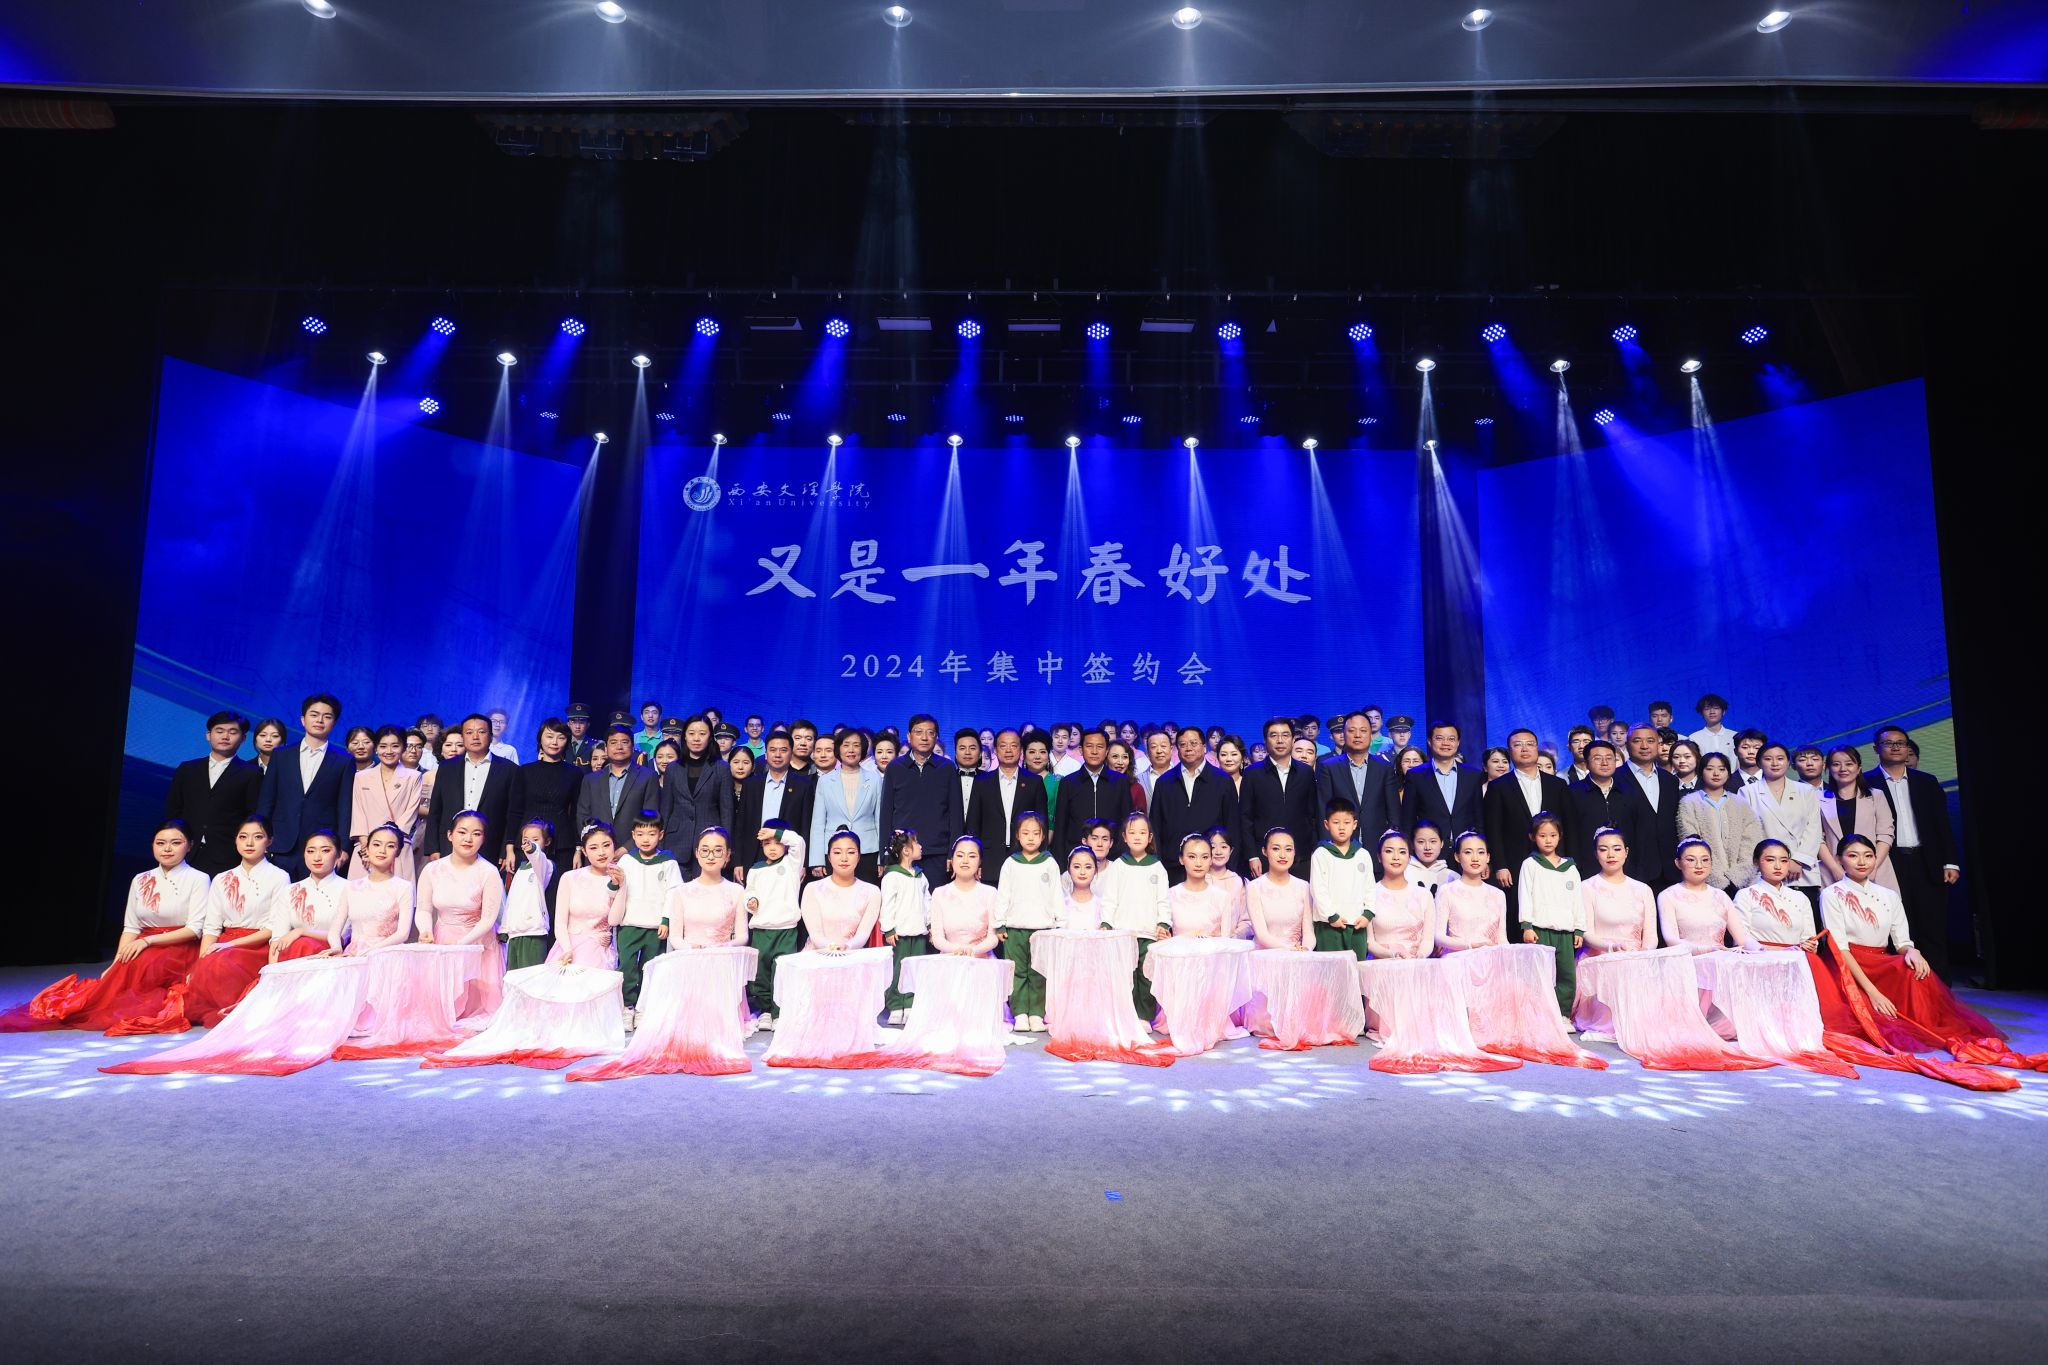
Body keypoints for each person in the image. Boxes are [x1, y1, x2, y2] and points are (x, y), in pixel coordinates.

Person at [0, 820, 209, 1032]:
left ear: (189, 845)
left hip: (180, 947)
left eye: (176, 843)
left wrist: (147, 941)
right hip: (143, 944)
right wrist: (116, 964)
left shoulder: (199, 879)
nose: (167, 849)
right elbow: (131, 928)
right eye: (160, 843)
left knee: (146, 967)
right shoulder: (140, 879)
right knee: (111, 985)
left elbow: (194, 930)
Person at [1820, 834, 2005, 1053]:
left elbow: (1902, 942)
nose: (1862, 862)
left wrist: (1912, 951)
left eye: (1868, 856)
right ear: (1839, 859)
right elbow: (1840, 948)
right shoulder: (1831, 895)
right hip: (1847, 963)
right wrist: (1873, 993)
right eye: (1853, 856)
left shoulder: (1888, 895)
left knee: (1915, 969)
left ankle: (1926, 1026)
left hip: (1879, 961)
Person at [108, 816, 288, 1033]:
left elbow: (274, 927)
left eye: (257, 837)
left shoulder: (279, 877)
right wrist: (200, 964)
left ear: (269, 841)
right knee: (206, 965)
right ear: (235, 840)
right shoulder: (222, 878)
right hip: (223, 942)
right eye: (243, 837)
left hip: (256, 944)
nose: (249, 843)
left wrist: (227, 946)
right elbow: (211, 928)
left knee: (223, 963)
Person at [1865, 725, 1961, 977]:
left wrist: (1950, 862)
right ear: (1876, 749)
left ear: (1908, 748)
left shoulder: (1926, 781)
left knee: (1932, 928)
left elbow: (1942, 823)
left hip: (1926, 862)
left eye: (1901, 742)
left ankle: (1939, 988)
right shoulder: (1866, 782)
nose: (1896, 747)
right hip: (1889, 864)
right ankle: (1904, 986)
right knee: (1896, 929)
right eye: (1889, 743)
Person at [416, 810, 507, 1020]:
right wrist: (425, 930)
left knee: (478, 1014)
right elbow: (423, 909)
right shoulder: (432, 870)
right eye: (462, 832)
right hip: (443, 940)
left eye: (476, 834)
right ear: (450, 835)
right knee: (442, 1012)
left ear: (483, 839)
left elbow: (488, 919)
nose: (468, 839)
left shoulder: (488, 872)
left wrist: (460, 945)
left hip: (478, 944)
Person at [257, 693, 351, 879]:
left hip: (321, 848)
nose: (319, 720)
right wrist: (260, 836)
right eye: (314, 715)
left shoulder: (344, 760)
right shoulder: (281, 755)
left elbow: (345, 808)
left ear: (334, 723)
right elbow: (267, 800)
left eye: (327, 716)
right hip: (280, 843)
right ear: (303, 719)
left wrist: (343, 847)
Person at [164, 711, 263, 877]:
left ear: (243, 738)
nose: (225, 736)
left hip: (227, 853)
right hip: (186, 851)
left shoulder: (251, 773)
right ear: (208, 735)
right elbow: (173, 810)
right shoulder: (187, 769)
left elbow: (252, 815)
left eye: (232, 732)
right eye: (219, 731)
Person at [1484, 727, 1574, 902]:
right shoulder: (1498, 787)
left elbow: (1569, 826)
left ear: (1537, 748)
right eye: (1518, 745)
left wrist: (1570, 861)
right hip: (1515, 865)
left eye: (1530, 744)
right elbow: (1493, 830)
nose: (1524, 749)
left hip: (1555, 862)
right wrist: (1500, 865)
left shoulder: (1558, 785)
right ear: (1510, 751)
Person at [1097, 811, 1171, 1023]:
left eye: (1142, 832)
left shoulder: (1157, 867)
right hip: (1124, 933)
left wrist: (1163, 923)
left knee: (1146, 976)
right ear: (1124, 836)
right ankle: (1127, 1017)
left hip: (1149, 933)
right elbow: (1109, 899)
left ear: (1150, 837)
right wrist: (1106, 923)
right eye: (1132, 832)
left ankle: (1144, 1017)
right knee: (1125, 975)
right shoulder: (1118, 866)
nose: (1137, 836)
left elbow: (1163, 900)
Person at [613, 809, 683, 1028]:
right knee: (627, 966)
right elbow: (614, 888)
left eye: (651, 834)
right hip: (629, 924)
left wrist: (666, 920)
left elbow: (674, 892)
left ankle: (645, 1007)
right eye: (641, 834)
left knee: (651, 967)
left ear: (660, 835)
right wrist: (614, 882)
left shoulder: (668, 862)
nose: (646, 839)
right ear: (633, 835)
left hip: (655, 926)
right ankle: (628, 1006)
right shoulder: (626, 860)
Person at [993, 812, 1059, 1031]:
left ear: (1043, 836)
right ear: (1017, 836)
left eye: (1036, 833)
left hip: (1043, 929)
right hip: (1015, 928)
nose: (1031, 838)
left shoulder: (1049, 863)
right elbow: (1003, 894)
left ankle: (1037, 1015)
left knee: (1039, 973)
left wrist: (1060, 923)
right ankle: (1020, 1013)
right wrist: (1000, 922)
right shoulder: (1011, 863)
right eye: (1025, 833)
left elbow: (1056, 895)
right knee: (1017, 971)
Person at [1153, 725, 1243, 884]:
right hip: (1172, 867)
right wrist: (1158, 864)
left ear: (1204, 747)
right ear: (1177, 750)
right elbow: (1155, 827)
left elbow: (1233, 826)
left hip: (1213, 867)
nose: (1188, 748)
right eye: (1183, 744)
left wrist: (1231, 867)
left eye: (1194, 743)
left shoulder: (1223, 781)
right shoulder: (1164, 782)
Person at [1512, 813, 1583, 1013]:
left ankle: (1563, 1015)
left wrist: (1579, 928)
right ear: (1533, 837)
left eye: (1553, 835)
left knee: (1566, 975)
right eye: (1542, 836)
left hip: (1565, 931)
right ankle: (1540, 1014)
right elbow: (1525, 895)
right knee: (1540, 975)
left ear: (1560, 836)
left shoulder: (1570, 868)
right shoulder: (1530, 864)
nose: (1548, 840)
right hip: (1540, 929)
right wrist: (1526, 925)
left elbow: (1577, 900)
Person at [880, 714, 961, 884]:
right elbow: (886, 814)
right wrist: (885, 853)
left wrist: (953, 852)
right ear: (909, 736)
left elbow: (956, 814)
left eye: (930, 733)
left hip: (938, 854)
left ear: (936, 737)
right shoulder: (895, 767)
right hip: (902, 852)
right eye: (919, 732)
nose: (924, 737)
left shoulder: (947, 768)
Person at [1315, 711, 1401, 872]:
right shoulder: (1329, 767)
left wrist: (1392, 842)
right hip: (1340, 847)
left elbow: (1393, 810)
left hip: (1377, 847)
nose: (1357, 735)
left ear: (1370, 734)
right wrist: (1327, 847)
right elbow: (1323, 810)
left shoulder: (1385, 767)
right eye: (1352, 730)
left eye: (1363, 730)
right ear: (1344, 734)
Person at [426, 713, 516, 865]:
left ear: (490, 736)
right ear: (463, 737)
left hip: (490, 847)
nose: (475, 737)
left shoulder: (509, 770)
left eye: (481, 732)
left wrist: (505, 849)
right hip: (448, 845)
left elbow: (512, 814)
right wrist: (433, 847)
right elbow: (436, 810)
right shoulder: (447, 768)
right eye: (469, 732)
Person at [965, 727, 1052, 884]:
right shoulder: (981, 782)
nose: (1008, 750)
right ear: (995, 750)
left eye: (1013, 745)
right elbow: (973, 823)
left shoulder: (1034, 782)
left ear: (1021, 750)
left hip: (1025, 857)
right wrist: (975, 858)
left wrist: (1040, 857)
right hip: (989, 859)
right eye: (1003, 745)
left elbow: (1042, 824)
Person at [1741, 741, 1824, 904]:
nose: (1774, 763)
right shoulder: (1747, 792)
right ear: (1759, 763)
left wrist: (1797, 860)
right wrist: (1773, 862)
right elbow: (1748, 834)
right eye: (1768, 759)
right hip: (1765, 870)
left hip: (1801, 870)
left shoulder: (1805, 791)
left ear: (1787, 762)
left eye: (1780, 758)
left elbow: (1814, 829)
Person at [1240, 717, 1321, 878]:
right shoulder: (1252, 773)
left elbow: (1313, 815)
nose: (1280, 740)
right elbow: (1245, 818)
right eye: (1274, 735)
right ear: (1265, 740)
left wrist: (1314, 850)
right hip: (1263, 856)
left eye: (1285, 735)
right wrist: (1252, 855)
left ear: (1293, 739)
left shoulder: (1306, 772)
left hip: (1301, 856)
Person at [1676, 752, 1764, 892]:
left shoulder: (1741, 803)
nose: (1716, 773)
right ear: (1701, 772)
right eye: (1710, 769)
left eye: (1722, 769)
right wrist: (1717, 879)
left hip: (1742, 884)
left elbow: (1751, 842)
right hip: (1703, 881)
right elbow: (1691, 841)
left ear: (1728, 773)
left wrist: (1737, 877)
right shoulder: (1689, 802)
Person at [1657, 838, 1759, 954]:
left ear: (1711, 862)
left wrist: (1760, 950)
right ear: (1678, 863)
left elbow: (1743, 937)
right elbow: (1671, 940)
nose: (1699, 865)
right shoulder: (1668, 896)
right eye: (1691, 860)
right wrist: (1708, 949)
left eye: (1705, 860)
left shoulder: (1721, 896)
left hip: (1719, 960)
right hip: (1687, 961)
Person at [349, 725, 424, 881]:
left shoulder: (413, 777)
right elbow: (358, 814)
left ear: (403, 748)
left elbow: (410, 814)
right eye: (383, 746)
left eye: (395, 746)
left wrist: (389, 844)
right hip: (366, 849)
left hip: (397, 847)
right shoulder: (361, 777)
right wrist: (366, 848)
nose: (389, 751)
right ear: (376, 748)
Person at [1817, 746, 1898, 892]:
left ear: (1859, 768)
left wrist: (1873, 866)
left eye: (1849, 764)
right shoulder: (1818, 798)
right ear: (1828, 768)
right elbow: (1817, 838)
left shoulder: (1875, 796)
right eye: (1836, 764)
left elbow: (1885, 834)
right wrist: (1835, 868)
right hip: (1835, 872)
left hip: (1875, 871)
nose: (1843, 769)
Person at [547, 821, 626, 969]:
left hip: (599, 952)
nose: (601, 852)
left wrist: (622, 886)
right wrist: (567, 949)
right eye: (593, 848)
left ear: (614, 846)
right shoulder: (570, 878)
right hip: (568, 948)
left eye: (606, 845)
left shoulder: (618, 878)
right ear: (584, 851)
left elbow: (614, 921)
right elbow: (560, 923)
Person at [1567, 740, 1652, 876]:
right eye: (1598, 758)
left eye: (1609, 758)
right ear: (1587, 763)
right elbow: (1570, 835)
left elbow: (1641, 834)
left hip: (1627, 870)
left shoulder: (1631, 792)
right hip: (1587, 870)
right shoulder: (1572, 793)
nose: (1605, 763)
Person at [735, 729, 817, 871]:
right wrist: (738, 862)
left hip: (788, 855)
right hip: (754, 853)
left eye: (783, 750)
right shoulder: (751, 785)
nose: (777, 755)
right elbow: (741, 824)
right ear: (766, 754)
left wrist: (803, 863)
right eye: (773, 750)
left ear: (791, 754)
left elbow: (806, 827)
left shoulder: (803, 785)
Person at [810, 730, 884, 883]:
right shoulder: (825, 781)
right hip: (834, 851)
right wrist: (817, 859)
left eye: (856, 745)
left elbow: (880, 821)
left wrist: (882, 858)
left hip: (867, 851)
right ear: (838, 749)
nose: (851, 750)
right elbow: (818, 823)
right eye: (846, 745)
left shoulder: (875, 779)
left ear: (863, 749)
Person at [575, 724, 658, 861]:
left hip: (634, 854)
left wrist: (626, 848)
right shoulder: (591, 780)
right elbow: (583, 817)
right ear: (606, 748)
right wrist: (598, 846)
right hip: (597, 854)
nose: (619, 747)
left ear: (632, 746)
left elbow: (651, 817)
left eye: (624, 742)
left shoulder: (648, 777)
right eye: (613, 743)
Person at [661, 826, 749, 950]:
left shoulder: (737, 891)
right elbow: (675, 937)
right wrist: (692, 949)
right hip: (689, 957)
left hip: (723, 956)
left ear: (727, 854)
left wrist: (723, 947)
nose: (710, 856)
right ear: (697, 853)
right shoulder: (681, 891)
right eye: (705, 850)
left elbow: (743, 936)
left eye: (718, 851)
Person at [1054, 727, 1135, 858]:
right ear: (1081, 750)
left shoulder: (1120, 782)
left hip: (1113, 856)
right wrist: (1061, 861)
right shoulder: (1068, 783)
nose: (1094, 751)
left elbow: (1127, 823)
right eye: (1089, 746)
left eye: (1100, 747)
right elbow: (1060, 827)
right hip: (1076, 856)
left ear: (1107, 751)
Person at [1620, 723, 1682, 891]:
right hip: (1632, 869)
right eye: (1637, 741)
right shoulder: (1615, 779)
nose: (1644, 746)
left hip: (1670, 870)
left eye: (1650, 740)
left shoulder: (1670, 780)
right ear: (1627, 745)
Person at [1577, 828, 1658, 957]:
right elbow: (1586, 933)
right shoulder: (1587, 887)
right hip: (1600, 959)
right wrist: (1611, 947)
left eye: (1617, 849)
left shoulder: (1643, 890)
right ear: (1596, 854)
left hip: (1636, 958)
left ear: (1626, 852)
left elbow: (1651, 935)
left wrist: (1644, 953)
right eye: (1603, 850)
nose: (1610, 855)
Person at [878, 828, 931, 1024]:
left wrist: (930, 924)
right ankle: (895, 1004)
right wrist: (889, 929)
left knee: (915, 969)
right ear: (906, 850)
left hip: (918, 932)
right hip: (899, 933)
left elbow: (927, 901)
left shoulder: (920, 876)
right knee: (898, 969)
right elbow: (887, 904)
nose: (921, 846)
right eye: (916, 843)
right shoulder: (892, 876)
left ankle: (910, 1004)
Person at [800, 830, 883, 953]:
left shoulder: (872, 892)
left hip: (851, 955)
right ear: (829, 857)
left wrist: (847, 947)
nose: (844, 858)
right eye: (837, 852)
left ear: (859, 856)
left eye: (851, 852)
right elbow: (816, 935)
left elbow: (863, 934)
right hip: (817, 956)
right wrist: (833, 948)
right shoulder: (813, 889)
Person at [270, 831, 348, 962]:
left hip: (333, 957)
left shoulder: (350, 889)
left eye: (325, 851)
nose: (317, 857)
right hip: (294, 957)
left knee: (303, 944)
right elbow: (278, 940)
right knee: (301, 945)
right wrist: (272, 971)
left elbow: (343, 936)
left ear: (339, 854)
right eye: (310, 851)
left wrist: (301, 931)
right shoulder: (289, 891)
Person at [1308, 798, 1372, 958]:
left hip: (1357, 924)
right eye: (1336, 822)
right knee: (1330, 969)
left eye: (1347, 822)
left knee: (1357, 969)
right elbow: (1318, 889)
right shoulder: (1321, 854)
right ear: (1326, 824)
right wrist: (1331, 915)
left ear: (1355, 824)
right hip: (1328, 925)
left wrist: (1368, 913)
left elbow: (1370, 887)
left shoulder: (1363, 855)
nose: (1342, 827)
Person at [1400, 721, 1483, 843]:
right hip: (1429, 848)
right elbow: (1408, 819)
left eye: (1451, 739)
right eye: (1439, 738)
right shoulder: (1415, 776)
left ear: (1458, 742)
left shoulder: (1473, 775)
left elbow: (1479, 818)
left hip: (1466, 847)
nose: (1445, 743)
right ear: (1429, 741)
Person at [1364, 831, 1436, 962]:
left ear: (1409, 858)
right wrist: (1392, 954)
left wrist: (1419, 957)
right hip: (1381, 967)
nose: (1396, 857)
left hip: (1416, 966)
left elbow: (1428, 940)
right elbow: (1370, 942)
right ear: (1379, 857)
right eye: (1389, 851)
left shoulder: (1424, 895)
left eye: (1402, 852)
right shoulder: (1369, 894)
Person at [1434, 831, 1508, 954]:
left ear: (1488, 857)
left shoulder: (1498, 894)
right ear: (1457, 857)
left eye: (1481, 852)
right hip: (1459, 959)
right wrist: (1471, 945)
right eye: (1468, 852)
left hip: (1491, 960)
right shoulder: (1447, 891)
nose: (1475, 858)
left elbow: (1502, 939)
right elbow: (1438, 937)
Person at [1246, 829, 1314, 951]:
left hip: (1297, 956)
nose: (1283, 855)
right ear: (1264, 851)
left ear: (1294, 852)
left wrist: (1306, 949)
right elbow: (1262, 935)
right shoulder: (1254, 887)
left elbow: (1308, 932)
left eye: (1288, 849)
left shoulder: (1304, 886)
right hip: (1265, 955)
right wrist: (1289, 950)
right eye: (1276, 849)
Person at [499, 820, 555, 970]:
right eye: (525, 840)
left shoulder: (545, 866)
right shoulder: (520, 869)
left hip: (534, 933)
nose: (529, 843)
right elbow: (511, 901)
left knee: (531, 978)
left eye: (535, 839)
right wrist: (504, 928)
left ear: (547, 842)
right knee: (513, 979)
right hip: (514, 934)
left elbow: (538, 857)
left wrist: (533, 849)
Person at [1105, 739, 1149, 814]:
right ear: (1106, 760)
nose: (1120, 762)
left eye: (1125, 757)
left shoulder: (1136, 788)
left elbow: (1140, 818)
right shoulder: (1098, 785)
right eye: (1115, 756)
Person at [1136, 728, 1177, 805]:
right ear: (1148, 752)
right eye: (1153, 747)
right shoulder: (1138, 780)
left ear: (1171, 749)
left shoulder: (1182, 777)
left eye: (1163, 746)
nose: (1159, 751)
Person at [1410, 820, 1453, 894]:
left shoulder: (1452, 877)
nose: (1427, 847)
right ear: (1412, 845)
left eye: (1433, 841)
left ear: (1442, 843)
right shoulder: (1403, 874)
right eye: (1421, 842)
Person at [1688, 694, 1735, 760]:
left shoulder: (1734, 736)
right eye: (1707, 709)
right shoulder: (1694, 738)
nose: (1712, 712)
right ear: (1701, 713)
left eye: (1716, 708)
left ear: (1723, 712)